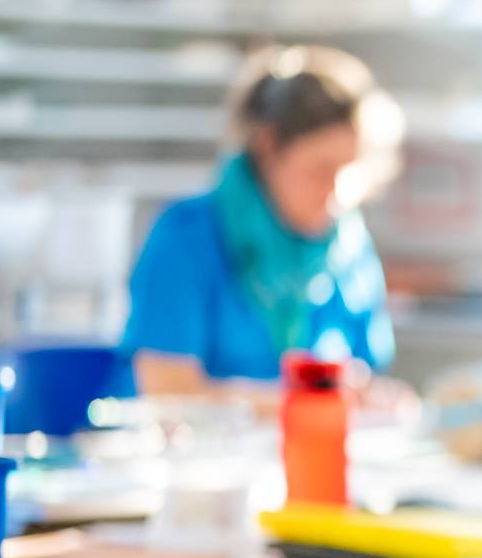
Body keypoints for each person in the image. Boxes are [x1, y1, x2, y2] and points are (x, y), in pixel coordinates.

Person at [120, 45, 407, 408]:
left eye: (349, 171)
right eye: (319, 170)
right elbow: (168, 393)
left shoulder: (350, 248)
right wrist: (305, 401)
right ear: (268, 146)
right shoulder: (186, 238)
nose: (336, 191)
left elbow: (363, 374)